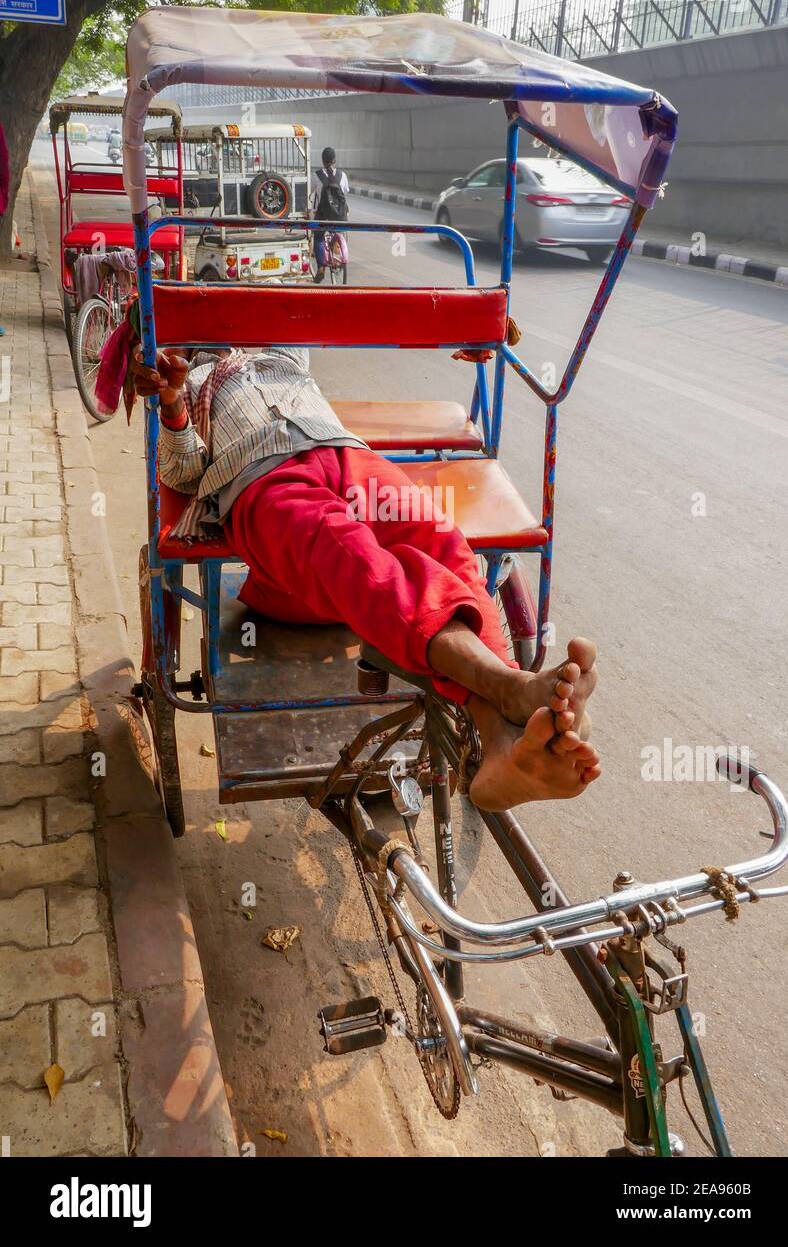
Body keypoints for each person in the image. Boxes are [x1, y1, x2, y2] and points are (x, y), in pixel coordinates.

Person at [131, 344, 600, 812]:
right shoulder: (193, 380)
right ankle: (508, 684)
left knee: (441, 542)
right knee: (347, 550)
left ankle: (498, 736)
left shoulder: (280, 352)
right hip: (261, 478)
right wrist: (173, 405)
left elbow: (298, 333)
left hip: (345, 454)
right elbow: (183, 472)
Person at [308, 145, 349, 282]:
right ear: (334, 160)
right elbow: (345, 193)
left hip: (323, 216)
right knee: (339, 229)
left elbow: (309, 192)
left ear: (322, 161)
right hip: (340, 216)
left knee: (318, 237)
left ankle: (321, 267)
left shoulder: (317, 176)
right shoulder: (342, 175)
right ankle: (336, 244)